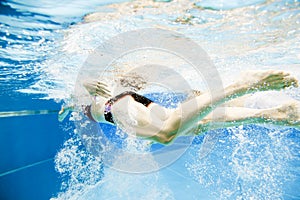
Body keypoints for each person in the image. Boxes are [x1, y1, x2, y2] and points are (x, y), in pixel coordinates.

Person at [59, 70, 300, 144]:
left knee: (164, 134)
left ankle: (240, 86)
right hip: (125, 102)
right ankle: (272, 115)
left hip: (116, 107)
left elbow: (85, 84)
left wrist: (84, 92)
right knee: (197, 125)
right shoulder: (76, 103)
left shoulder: (82, 101)